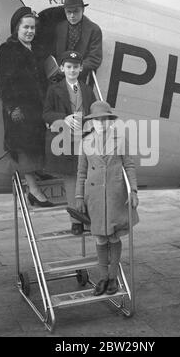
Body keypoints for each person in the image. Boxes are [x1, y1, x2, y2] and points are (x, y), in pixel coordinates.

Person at [75, 101, 139, 295]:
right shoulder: (85, 142)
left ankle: (112, 278)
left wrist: (133, 190)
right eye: (97, 121)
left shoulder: (120, 140)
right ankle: (102, 277)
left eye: (104, 120)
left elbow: (129, 166)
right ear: (91, 123)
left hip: (115, 194)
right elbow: (81, 172)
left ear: (110, 122)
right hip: (94, 196)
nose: (101, 124)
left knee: (113, 236)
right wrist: (79, 196)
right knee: (100, 238)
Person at [0, 6, 54, 207]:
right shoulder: (8, 50)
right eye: (25, 28)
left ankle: (37, 181)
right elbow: (2, 84)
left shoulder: (36, 49)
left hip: (38, 107)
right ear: (16, 29)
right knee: (24, 148)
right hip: (20, 110)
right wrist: (13, 109)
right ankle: (34, 190)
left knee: (36, 144)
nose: (30, 31)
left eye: (32, 28)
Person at [42, 50, 96, 234]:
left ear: (81, 68)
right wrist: (64, 117)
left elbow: (95, 113)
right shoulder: (54, 89)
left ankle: (88, 218)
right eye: (68, 67)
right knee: (71, 182)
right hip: (65, 141)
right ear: (62, 68)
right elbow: (46, 114)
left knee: (86, 180)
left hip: (85, 140)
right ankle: (76, 221)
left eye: (75, 67)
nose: (72, 70)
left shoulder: (88, 90)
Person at [51, 0, 102, 82]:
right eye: (68, 12)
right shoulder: (59, 27)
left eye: (76, 11)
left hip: (78, 80)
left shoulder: (94, 30)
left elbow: (95, 59)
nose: (72, 15)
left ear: (83, 9)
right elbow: (53, 51)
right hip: (57, 79)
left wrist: (71, 69)